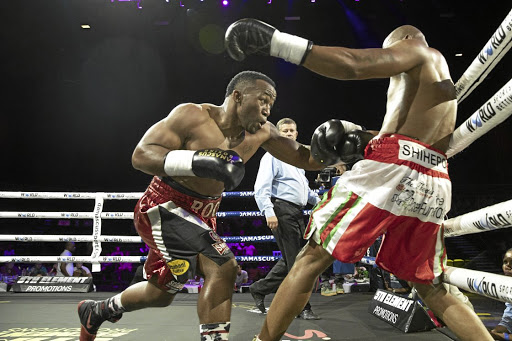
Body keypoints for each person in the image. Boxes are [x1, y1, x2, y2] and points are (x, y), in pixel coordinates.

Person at [225, 20, 493, 341]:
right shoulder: (433, 85)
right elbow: (410, 136)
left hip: (394, 167)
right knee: (428, 285)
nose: (388, 55)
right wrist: (361, 139)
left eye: (389, 48)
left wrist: (277, 43)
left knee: (311, 257)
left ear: (405, 39)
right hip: (434, 178)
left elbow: (354, 66)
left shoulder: (418, 50)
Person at [77, 70, 335, 341]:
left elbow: (306, 157)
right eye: (262, 100)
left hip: (202, 216)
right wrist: (197, 161)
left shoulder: (263, 133)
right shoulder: (193, 116)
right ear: (237, 96)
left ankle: (98, 311)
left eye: (271, 103)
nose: (267, 109)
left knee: (160, 293)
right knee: (223, 266)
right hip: (164, 207)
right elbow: (141, 154)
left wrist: (343, 151)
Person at [250, 117, 320, 319]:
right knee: (297, 262)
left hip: (297, 213)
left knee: (292, 258)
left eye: (292, 131)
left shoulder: (297, 161)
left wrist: (324, 201)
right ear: (279, 135)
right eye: (285, 131)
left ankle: (259, 289)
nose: (289, 134)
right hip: (282, 211)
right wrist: (268, 212)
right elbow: (260, 188)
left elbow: (305, 193)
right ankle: (302, 307)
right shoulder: (272, 157)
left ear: (297, 134)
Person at [488, 248, 512, 340]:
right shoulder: (509, 288)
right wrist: (493, 332)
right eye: (505, 262)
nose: (508, 266)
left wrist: (499, 336)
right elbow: (507, 322)